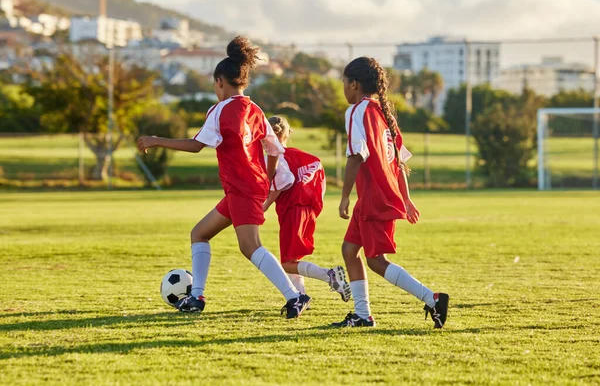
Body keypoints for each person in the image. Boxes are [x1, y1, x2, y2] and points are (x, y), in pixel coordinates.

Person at [137, 36, 311, 319]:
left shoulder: (219, 110)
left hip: (242, 188)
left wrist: (156, 139)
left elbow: (196, 145)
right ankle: (196, 297)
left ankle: (295, 296)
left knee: (250, 247)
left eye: (215, 85)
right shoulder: (256, 110)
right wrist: (265, 179)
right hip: (245, 187)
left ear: (220, 81)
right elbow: (275, 149)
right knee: (200, 233)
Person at [332, 57, 449, 328]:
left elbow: (355, 156)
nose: (344, 89)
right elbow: (400, 162)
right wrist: (406, 198)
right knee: (350, 250)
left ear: (354, 84)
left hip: (374, 197)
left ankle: (433, 299)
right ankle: (362, 315)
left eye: (344, 83)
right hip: (378, 196)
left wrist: (345, 195)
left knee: (376, 261)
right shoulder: (385, 115)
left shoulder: (357, 111)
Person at [264, 116, 351, 302]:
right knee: (292, 258)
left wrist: (264, 206)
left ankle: (329, 275)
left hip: (292, 210)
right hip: (307, 210)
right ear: (288, 134)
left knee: (287, 264)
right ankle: (300, 297)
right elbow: (320, 180)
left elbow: (284, 180)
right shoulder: (307, 158)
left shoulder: (276, 156)